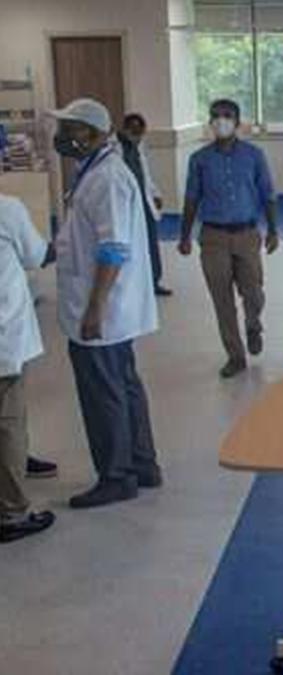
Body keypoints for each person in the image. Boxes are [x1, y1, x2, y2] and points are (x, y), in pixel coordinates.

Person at [49, 98, 162, 509]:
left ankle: (117, 476)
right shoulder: (95, 171)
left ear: (95, 133)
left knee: (104, 393)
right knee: (124, 385)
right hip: (109, 307)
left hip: (102, 309)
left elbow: (113, 248)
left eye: (71, 129)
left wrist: (95, 307)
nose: (63, 137)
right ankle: (142, 464)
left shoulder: (108, 178)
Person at [177, 99, 280, 379]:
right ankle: (235, 355)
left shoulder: (254, 155)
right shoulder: (199, 159)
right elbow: (191, 198)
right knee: (222, 300)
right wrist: (184, 236)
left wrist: (273, 230)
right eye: (216, 116)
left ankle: (253, 323)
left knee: (253, 292)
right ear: (210, 122)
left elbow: (268, 193)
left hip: (247, 233)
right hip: (213, 236)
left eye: (227, 116)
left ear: (237, 122)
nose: (221, 121)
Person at [0, 193, 57, 541]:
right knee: (9, 420)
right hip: (4, 334)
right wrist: (66, 242)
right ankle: (12, 513)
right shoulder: (7, 209)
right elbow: (36, 255)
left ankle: (17, 463)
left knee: (11, 418)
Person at [118, 112, 172, 297]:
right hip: (126, 206)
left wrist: (155, 194)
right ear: (125, 129)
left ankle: (154, 281)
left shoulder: (138, 148)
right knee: (131, 246)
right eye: (133, 131)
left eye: (140, 133)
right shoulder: (115, 150)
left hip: (144, 204)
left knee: (150, 244)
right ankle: (134, 285)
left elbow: (145, 175)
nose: (137, 136)